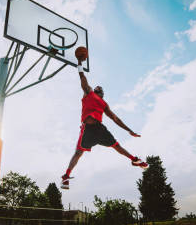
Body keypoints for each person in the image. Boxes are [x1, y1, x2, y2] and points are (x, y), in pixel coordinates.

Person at [61, 58, 148, 190]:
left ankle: (134, 159)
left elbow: (115, 118)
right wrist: (79, 63)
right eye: (96, 87)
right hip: (88, 129)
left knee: (116, 145)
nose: (98, 87)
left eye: (100, 88)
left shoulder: (104, 104)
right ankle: (66, 177)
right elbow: (82, 77)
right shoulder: (88, 93)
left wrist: (129, 130)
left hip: (100, 129)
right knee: (78, 153)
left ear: (102, 94)